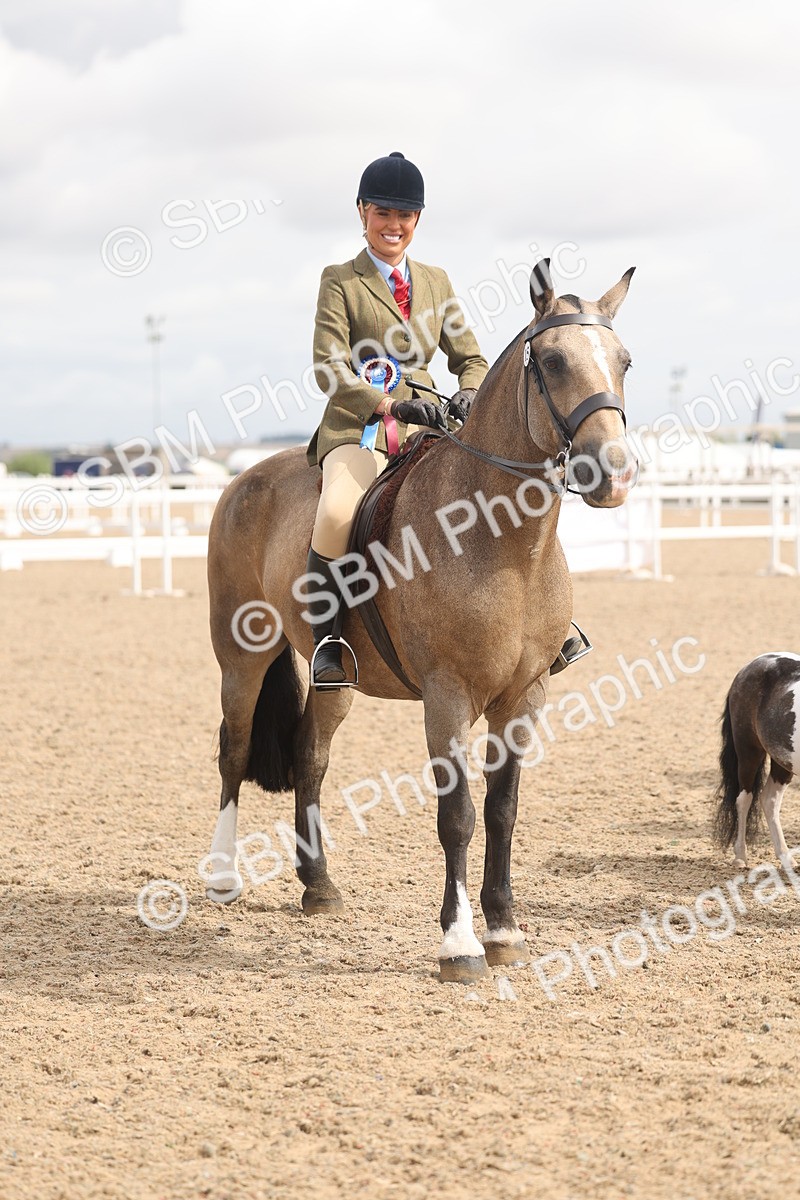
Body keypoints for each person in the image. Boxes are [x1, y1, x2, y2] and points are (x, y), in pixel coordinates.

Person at [305, 151, 488, 686]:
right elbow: (329, 366)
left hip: (430, 423)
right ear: (362, 212)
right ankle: (328, 643)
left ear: (418, 220)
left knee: (501, 488)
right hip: (359, 426)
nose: (393, 225)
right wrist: (386, 405)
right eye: (382, 212)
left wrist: (470, 395)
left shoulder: (436, 280)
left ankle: (541, 626)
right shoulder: (340, 279)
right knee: (338, 512)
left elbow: (470, 359)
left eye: (404, 215)